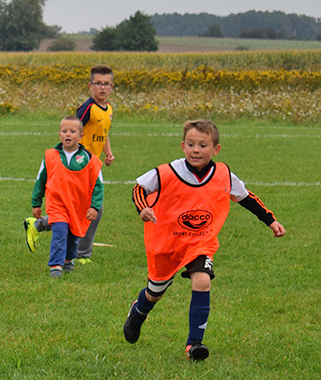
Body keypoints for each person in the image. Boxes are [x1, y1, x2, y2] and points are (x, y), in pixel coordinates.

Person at [123, 119, 285, 361]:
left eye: (202, 145)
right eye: (190, 144)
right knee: (155, 292)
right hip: (165, 241)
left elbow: (245, 197)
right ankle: (138, 311)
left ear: (215, 149)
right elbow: (139, 188)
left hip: (200, 241)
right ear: (183, 146)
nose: (195, 150)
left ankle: (194, 345)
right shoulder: (167, 172)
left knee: (202, 280)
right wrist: (143, 208)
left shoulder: (223, 174)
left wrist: (270, 220)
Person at [24, 65, 114, 259]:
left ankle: (38, 225)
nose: (102, 88)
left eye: (106, 84)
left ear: (112, 87)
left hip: (91, 164)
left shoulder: (108, 110)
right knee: (89, 208)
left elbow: (104, 132)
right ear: (90, 85)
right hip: (77, 164)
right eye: (98, 83)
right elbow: (74, 126)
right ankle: (81, 254)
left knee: (86, 208)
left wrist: (108, 152)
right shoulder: (87, 108)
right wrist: (69, 154)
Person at [27, 116, 103, 277]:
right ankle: (56, 266)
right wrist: (36, 203)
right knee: (60, 232)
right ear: (59, 134)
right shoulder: (50, 156)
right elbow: (40, 180)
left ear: (81, 136)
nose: (68, 134)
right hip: (57, 204)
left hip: (78, 206)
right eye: (64, 131)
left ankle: (68, 260)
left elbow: (97, 185)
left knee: (73, 234)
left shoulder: (89, 159)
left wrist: (94, 206)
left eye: (73, 131)